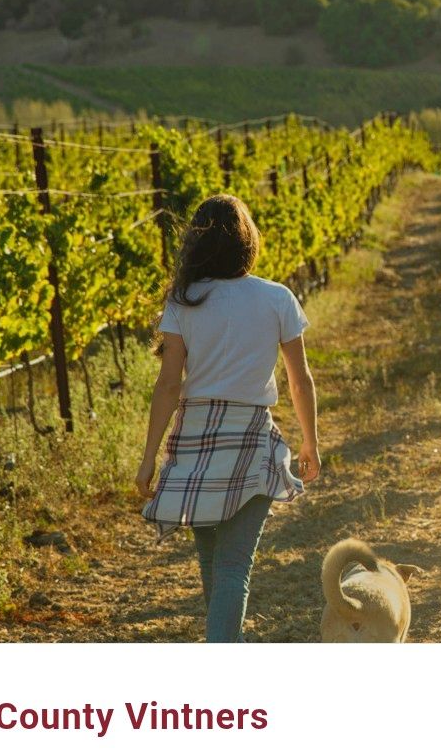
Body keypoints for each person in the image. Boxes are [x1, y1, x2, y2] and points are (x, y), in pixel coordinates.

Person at [136, 194, 321, 642]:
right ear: (247, 241)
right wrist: (310, 442)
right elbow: (300, 380)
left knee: (213, 564)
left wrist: (148, 459)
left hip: (195, 438)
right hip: (251, 437)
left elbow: (167, 385)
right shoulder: (277, 298)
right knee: (233, 567)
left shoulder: (185, 301)